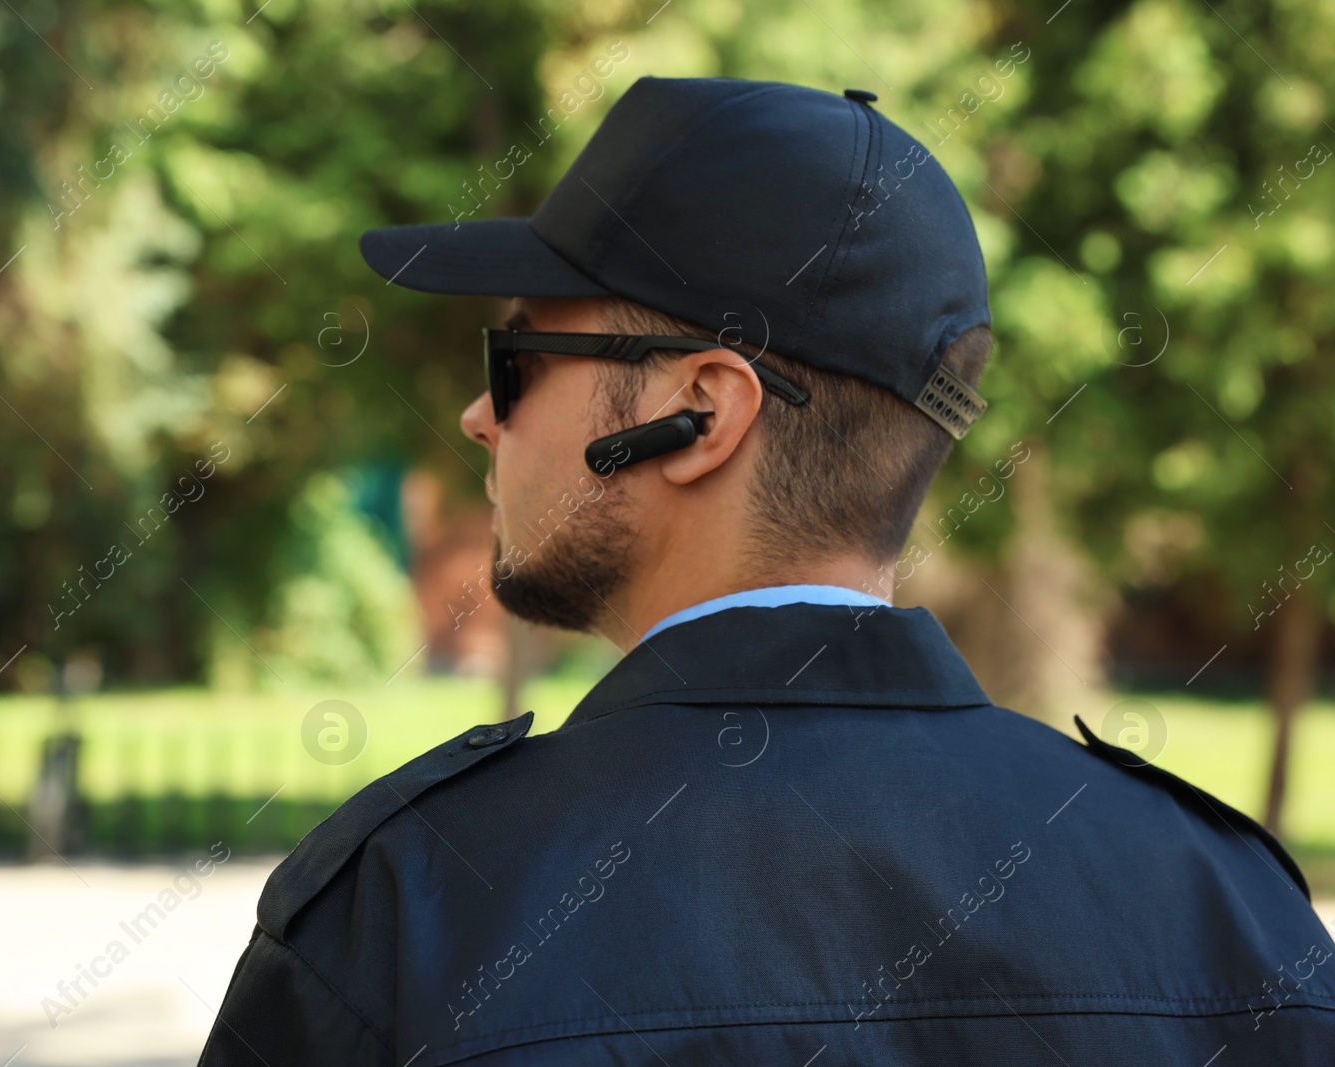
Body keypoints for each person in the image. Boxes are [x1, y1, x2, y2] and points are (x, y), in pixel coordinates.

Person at [197, 77, 1335, 1065]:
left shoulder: (410, 914)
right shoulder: (1223, 906)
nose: (475, 417)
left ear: (698, 412)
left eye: (517, 361)